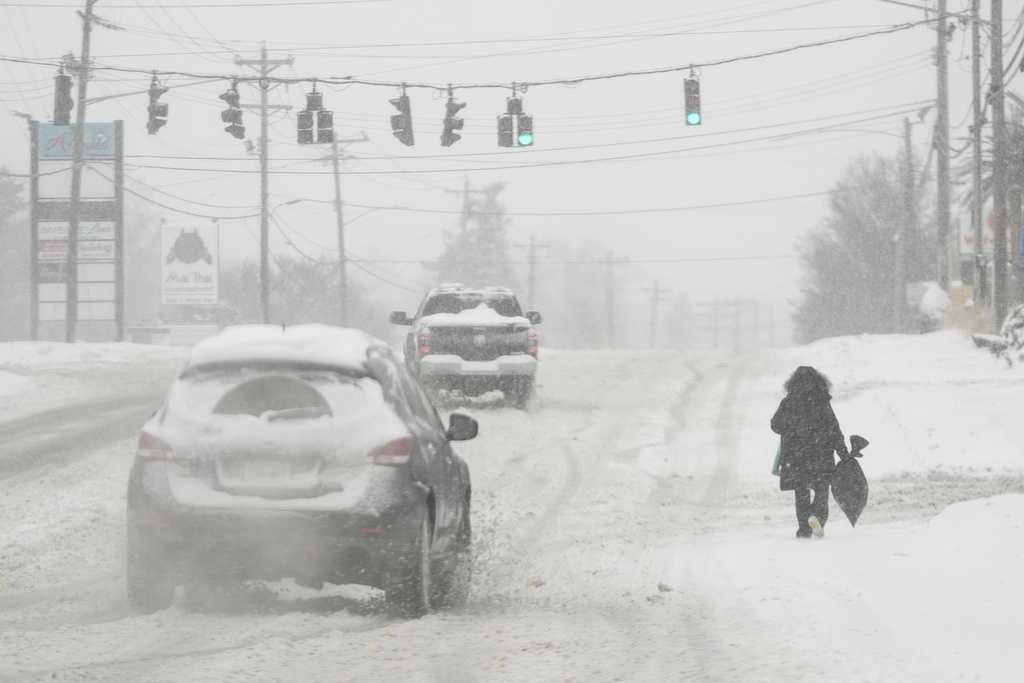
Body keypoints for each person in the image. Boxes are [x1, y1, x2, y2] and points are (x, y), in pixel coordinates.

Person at [771, 366, 848, 539]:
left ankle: (804, 528)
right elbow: (833, 428)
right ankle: (817, 516)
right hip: (821, 453)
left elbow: (775, 424)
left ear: (793, 382)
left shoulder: (789, 401)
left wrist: (791, 429)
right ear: (818, 381)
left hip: (797, 455)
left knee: (801, 492)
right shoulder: (822, 401)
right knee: (822, 490)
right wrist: (842, 451)